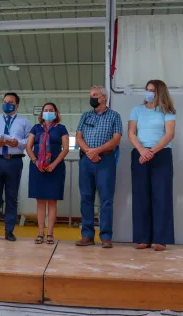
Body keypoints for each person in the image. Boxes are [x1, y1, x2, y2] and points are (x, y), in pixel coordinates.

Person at [128, 80, 176, 251]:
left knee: (161, 196)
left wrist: (152, 152)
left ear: (159, 93)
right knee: (141, 195)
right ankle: (143, 238)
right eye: (147, 90)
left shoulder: (167, 111)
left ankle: (161, 239)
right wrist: (142, 150)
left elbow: (169, 134)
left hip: (161, 154)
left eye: (152, 90)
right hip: (140, 154)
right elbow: (131, 133)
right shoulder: (137, 110)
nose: (148, 93)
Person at [75, 86, 122, 248]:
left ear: (104, 97)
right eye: (91, 95)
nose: (92, 98)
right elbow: (79, 136)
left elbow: (116, 139)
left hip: (106, 161)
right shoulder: (85, 116)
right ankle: (87, 235)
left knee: (106, 200)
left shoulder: (115, 116)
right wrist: (89, 152)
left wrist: (97, 151)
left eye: (95, 95)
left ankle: (106, 237)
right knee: (86, 198)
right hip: (86, 161)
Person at [0, 92, 32, 242]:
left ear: (17, 105)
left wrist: (19, 143)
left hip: (14, 161)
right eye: (4, 101)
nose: (6, 104)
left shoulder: (24, 121)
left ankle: (9, 231)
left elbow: (29, 140)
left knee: (12, 197)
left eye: (10, 102)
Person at [26, 103, 70, 245]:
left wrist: (53, 164)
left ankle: (50, 233)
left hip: (55, 168)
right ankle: (40, 233)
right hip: (37, 168)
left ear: (56, 113)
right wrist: (36, 161)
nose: (48, 112)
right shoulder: (36, 128)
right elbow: (28, 146)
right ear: (42, 113)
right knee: (40, 201)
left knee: (52, 201)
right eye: (46, 110)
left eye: (51, 110)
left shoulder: (61, 128)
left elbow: (66, 148)